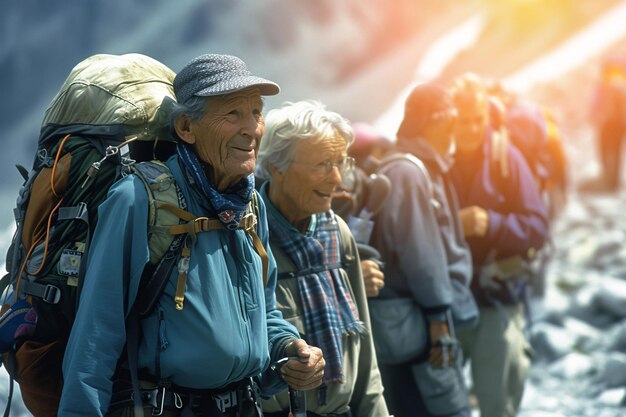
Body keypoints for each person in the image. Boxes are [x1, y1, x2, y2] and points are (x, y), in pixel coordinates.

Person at [58, 54, 325, 417]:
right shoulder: (140, 200)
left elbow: (264, 312)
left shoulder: (249, 206)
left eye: (256, 112)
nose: (252, 128)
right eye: (232, 114)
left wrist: (289, 350)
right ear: (186, 127)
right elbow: (96, 335)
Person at [255, 100, 389, 417]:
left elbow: (365, 356)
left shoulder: (337, 232)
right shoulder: (250, 237)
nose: (336, 179)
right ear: (276, 167)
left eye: (340, 162)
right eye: (321, 164)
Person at [369, 83, 477, 417]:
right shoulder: (408, 173)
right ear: (432, 121)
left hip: (411, 321)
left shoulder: (410, 167)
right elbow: (422, 254)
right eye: (450, 122)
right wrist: (438, 318)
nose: (455, 132)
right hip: (419, 323)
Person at [449, 73, 549, 417]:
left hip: (497, 296)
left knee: (496, 404)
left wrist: (491, 223)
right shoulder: (438, 162)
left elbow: (538, 227)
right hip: (445, 300)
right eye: (463, 121)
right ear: (451, 120)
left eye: (478, 120)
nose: (472, 128)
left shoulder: (508, 158)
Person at [582, 54, 626, 192]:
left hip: (607, 123)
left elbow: (596, 102)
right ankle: (613, 181)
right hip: (620, 124)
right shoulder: (622, 83)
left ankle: (609, 180)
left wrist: (594, 116)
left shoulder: (605, 84)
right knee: (616, 151)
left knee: (607, 150)